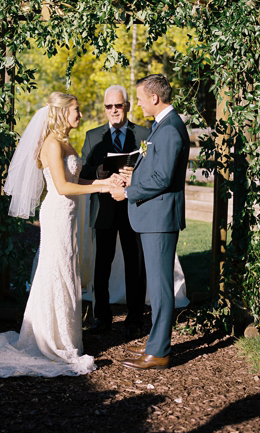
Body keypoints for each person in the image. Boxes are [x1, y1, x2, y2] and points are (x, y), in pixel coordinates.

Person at [0, 92, 122, 377]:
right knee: (55, 271)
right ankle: (50, 341)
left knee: (67, 271)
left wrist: (104, 181)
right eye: (76, 110)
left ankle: (66, 337)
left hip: (70, 215)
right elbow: (61, 187)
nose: (80, 115)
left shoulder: (65, 142)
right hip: (58, 212)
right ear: (62, 112)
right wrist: (101, 188)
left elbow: (76, 180)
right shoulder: (50, 144)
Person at [110, 74, 189, 371]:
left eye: (141, 98)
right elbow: (155, 171)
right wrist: (134, 176)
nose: (139, 104)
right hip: (154, 216)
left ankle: (159, 352)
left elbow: (164, 178)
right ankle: (155, 345)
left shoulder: (169, 130)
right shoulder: (162, 127)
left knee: (159, 288)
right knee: (155, 287)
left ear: (154, 98)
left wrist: (128, 191)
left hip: (159, 218)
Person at [80, 85, 150, 339]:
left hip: (133, 208)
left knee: (135, 265)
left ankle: (135, 319)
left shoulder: (144, 133)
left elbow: (152, 169)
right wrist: (97, 174)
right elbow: (83, 173)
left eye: (118, 106)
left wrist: (135, 176)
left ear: (127, 106)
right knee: (102, 265)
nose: (113, 111)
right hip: (105, 209)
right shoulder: (92, 136)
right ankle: (102, 317)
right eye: (109, 107)